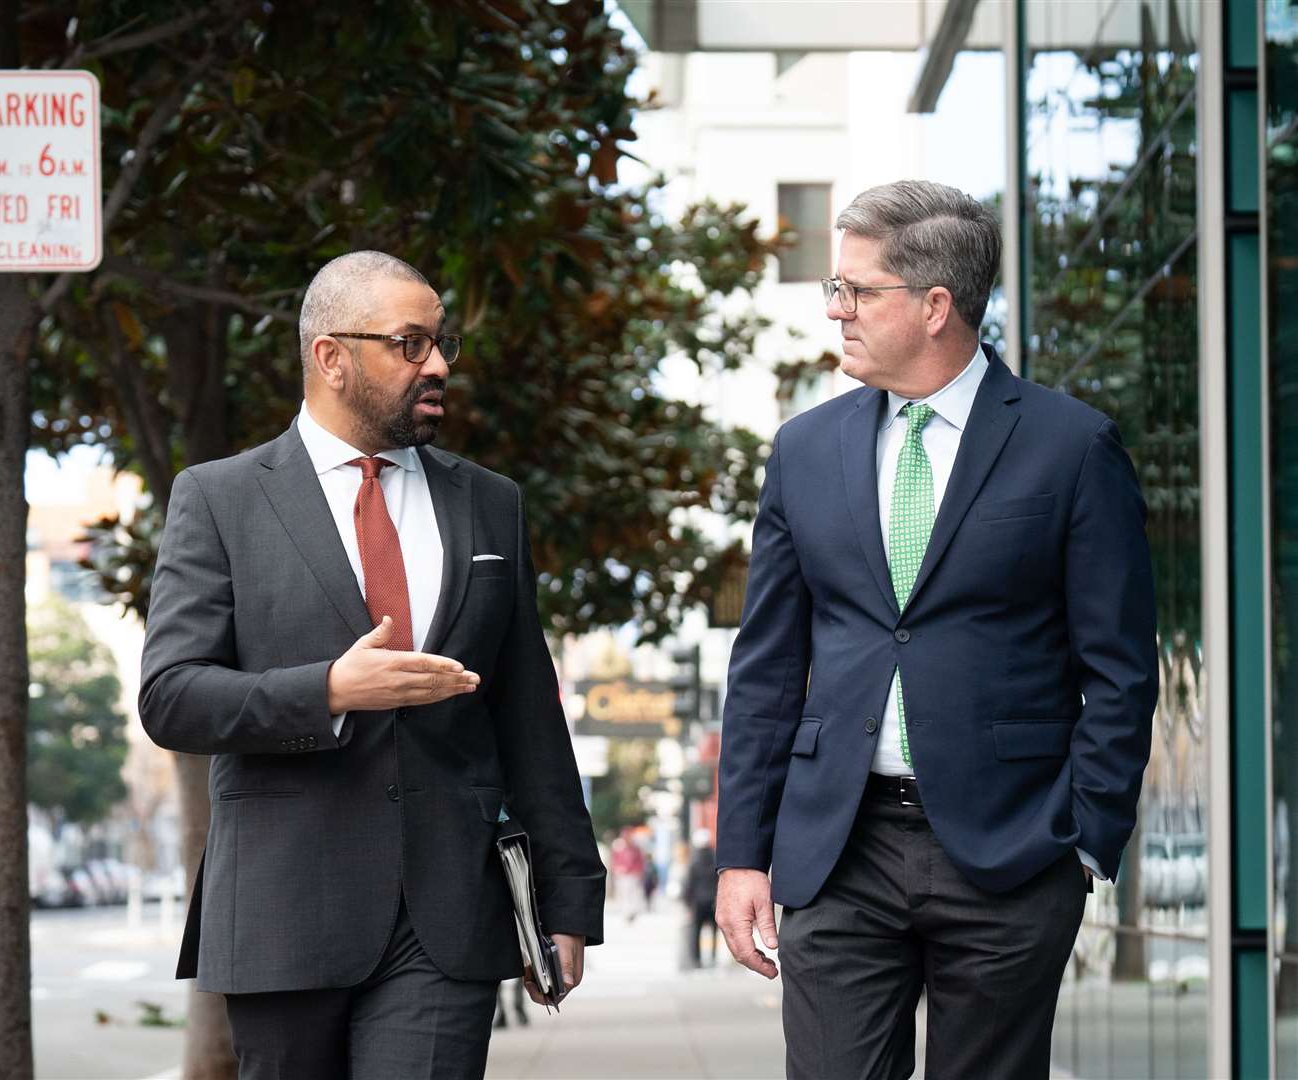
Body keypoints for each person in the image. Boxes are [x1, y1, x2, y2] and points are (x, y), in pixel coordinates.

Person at [715, 180, 1158, 1079]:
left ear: (935, 306)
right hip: (840, 848)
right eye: (835, 290)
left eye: (857, 290)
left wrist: (1084, 841)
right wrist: (741, 856)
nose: (837, 309)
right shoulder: (803, 450)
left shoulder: (1071, 448)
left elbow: (1118, 666)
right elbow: (766, 668)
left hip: (1013, 850)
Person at [138, 251, 605, 1080]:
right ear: (332, 356)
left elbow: (530, 714)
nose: (438, 366)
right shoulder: (219, 498)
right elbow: (173, 698)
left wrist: (567, 899)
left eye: (441, 344)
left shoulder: (489, 502)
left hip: (447, 915)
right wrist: (326, 691)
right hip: (282, 915)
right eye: (410, 343)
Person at [684, 829, 719, 967]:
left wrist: (687, 903)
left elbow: (689, 884)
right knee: (714, 931)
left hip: (698, 902)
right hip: (713, 900)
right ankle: (713, 957)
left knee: (696, 932)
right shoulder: (715, 859)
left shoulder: (694, 860)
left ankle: (696, 959)